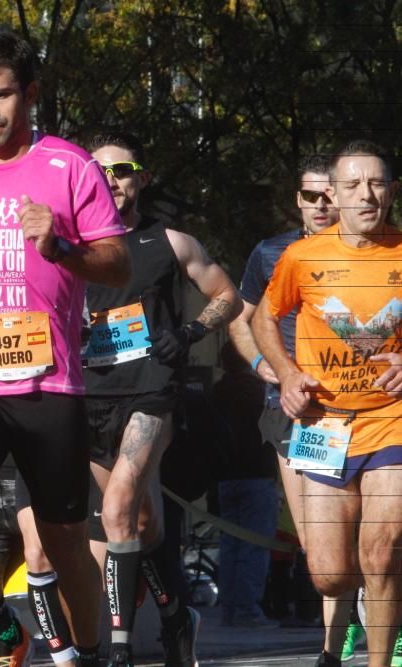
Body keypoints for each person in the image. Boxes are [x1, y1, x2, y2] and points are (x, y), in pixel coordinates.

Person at [0, 31, 131, 667]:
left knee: (65, 545)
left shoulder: (70, 166)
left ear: (29, 95)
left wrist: (60, 245)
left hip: (49, 383)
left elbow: (116, 264)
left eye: (1, 94)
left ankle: (89, 652)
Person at [83, 131, 242, 667]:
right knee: (138, 523)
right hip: (91, 395)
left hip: (152, 392)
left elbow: (227, 295)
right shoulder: (66, 246)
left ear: (141, 178)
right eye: (100, 172)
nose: (112, 182)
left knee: (119, 505)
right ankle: (176, 617)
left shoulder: (171, 242)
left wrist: (192, 332)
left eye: (122, 170)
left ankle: (121, 648)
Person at [251, 139, 402, 667]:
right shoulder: (301, 257)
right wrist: (287, 374)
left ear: (392, 191)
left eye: (377, 183)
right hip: (324, 423)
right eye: (354, 185)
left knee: (382, 551)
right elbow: (262, 319)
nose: (367, 194)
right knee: (329, 572)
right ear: (334, 195)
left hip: (391, 419)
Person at [227, 154, 360, 665]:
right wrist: (267, 364)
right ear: (297, 201)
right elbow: (243, 318)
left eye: (331, 194)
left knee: (370, 527)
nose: (322, 205)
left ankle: (358, 632)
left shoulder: (373, 250)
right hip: (293, 411)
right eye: (311, 196)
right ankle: (340, 630)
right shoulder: (271, 253)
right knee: (315, 540)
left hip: (360, 407)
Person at [210, 341, 279, 627]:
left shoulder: (216, 392)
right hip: (257, 475)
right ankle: (248, 609)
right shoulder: (258, 391)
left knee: (230, 544)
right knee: (255, 545)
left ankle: (229, 608)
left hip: (225, 477)